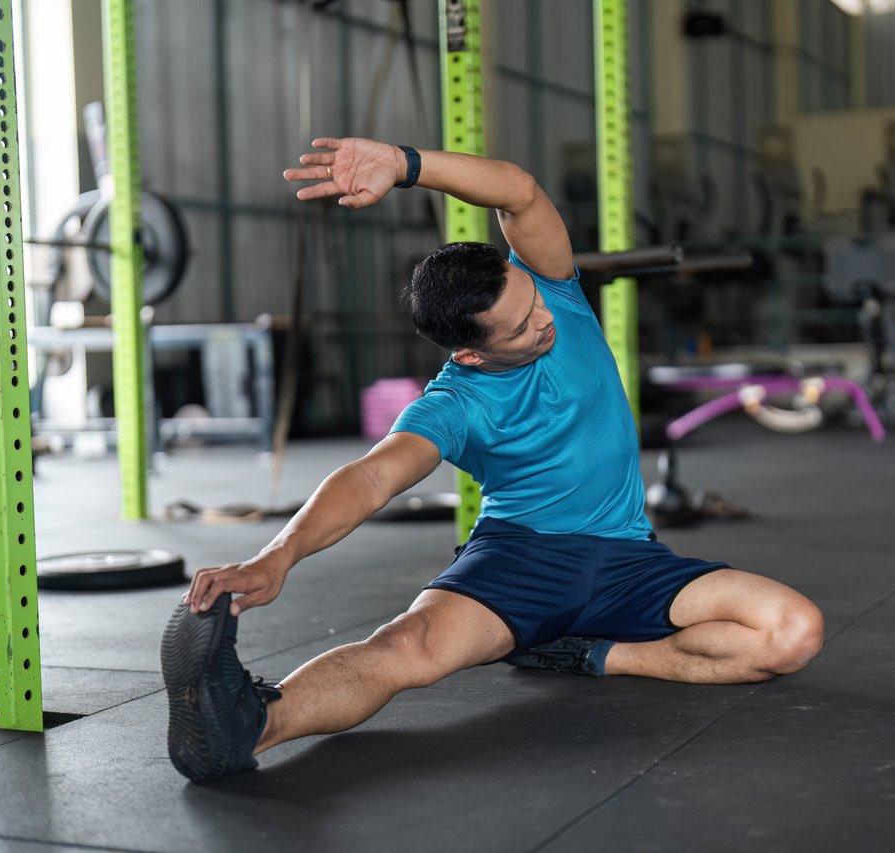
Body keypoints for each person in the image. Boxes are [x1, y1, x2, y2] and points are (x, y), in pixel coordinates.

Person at [161, 137, 824, 784]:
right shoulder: (455, 402)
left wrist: (402, 163)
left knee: (791, 632)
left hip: (628, 558)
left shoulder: (554, 292)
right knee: (406, 648)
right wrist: (278, 555)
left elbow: (520, 191)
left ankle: (595, 654)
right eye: (522, 325)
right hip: (520, 560)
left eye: (532, 300)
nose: (545, 321)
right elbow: (373, 476)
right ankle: (248, 724)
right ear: (472, 353)